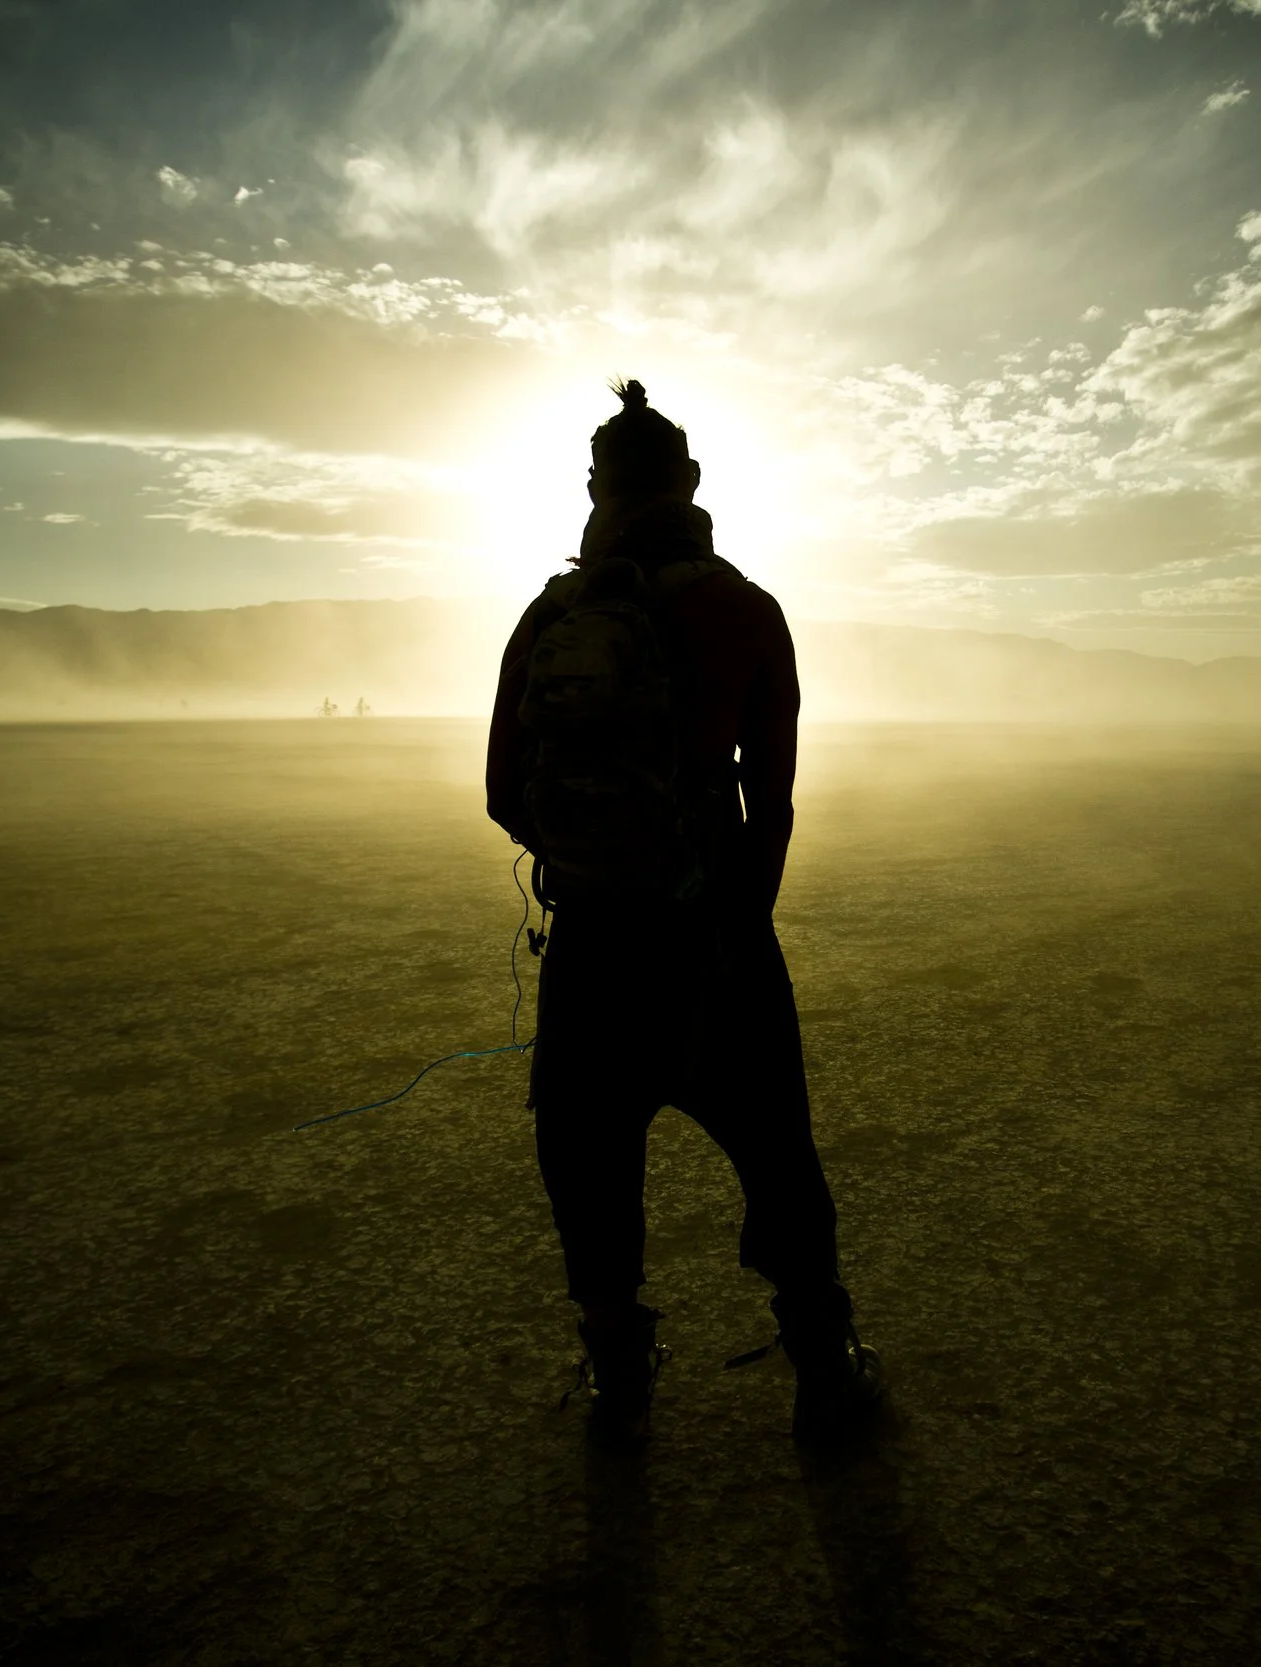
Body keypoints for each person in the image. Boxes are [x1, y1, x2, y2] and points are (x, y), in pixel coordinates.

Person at [485, 380, 885, 1444]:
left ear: (594, 490)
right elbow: (773, 802)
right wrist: (733, 919)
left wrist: (593, 856)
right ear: (693, 482)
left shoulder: (549, 616)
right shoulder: (744, 610)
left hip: (588, 944)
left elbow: (501, 793)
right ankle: (824, 1368)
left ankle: (617, 1373)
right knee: (778, 1156)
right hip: (714, 943)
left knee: (588, 1163)